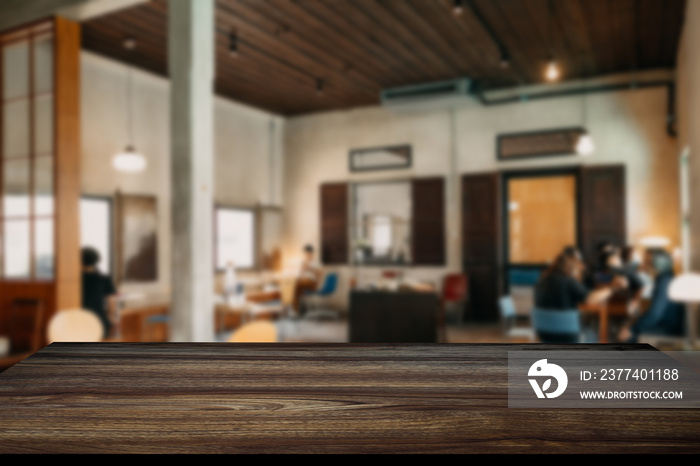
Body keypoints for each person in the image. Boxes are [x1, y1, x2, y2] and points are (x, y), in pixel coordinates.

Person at [534, 251, 619, 343]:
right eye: (578, 270)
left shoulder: (541, 282)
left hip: (544, 335)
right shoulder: (568, 281)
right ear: (572, 268)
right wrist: (612, 289)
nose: (578, 274)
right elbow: (590, 299)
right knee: (592, 335)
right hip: (568, 336)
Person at [617, 249, 685, 343]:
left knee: (627, 338)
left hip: (669, 331)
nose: (644, 265)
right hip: (666, 326)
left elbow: (655, 314)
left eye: (648, 262)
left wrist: (633, 329)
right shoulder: (665, 278)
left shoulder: (665, 281)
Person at [81, 247, 117, 339]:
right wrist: (110, 317)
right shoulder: (104, 278)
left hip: (79, 320)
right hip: (99, 321)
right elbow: (111, 303)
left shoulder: (74, 280)